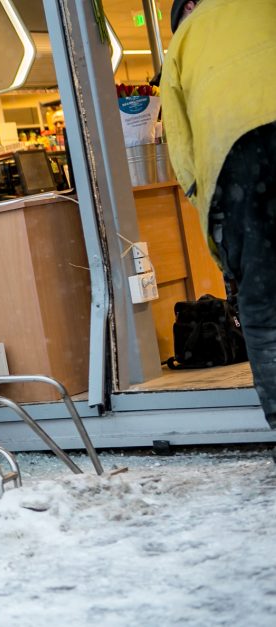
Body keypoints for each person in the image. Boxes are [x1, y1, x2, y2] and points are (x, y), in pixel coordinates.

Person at [161, 0, 276, 434]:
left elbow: (187, 165)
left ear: (189, 7)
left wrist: (225, 253)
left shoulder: (181, 47)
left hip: (237, 161)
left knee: (263, 311)